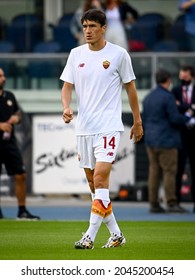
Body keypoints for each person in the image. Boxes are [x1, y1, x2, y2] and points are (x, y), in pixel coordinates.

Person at [60, 9, 143, 249]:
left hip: (108, 126)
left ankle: (89, 236)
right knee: (94, 185)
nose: (87, 31)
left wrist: (137, 121)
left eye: (92, 26)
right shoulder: (76, 54)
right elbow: (67, 86)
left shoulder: (118, 54)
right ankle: (116, 234)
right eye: (85, 26)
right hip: (84, 128)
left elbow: (131, 89)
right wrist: (66, 107)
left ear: (103, 28)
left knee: (100, 178)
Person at [143, 69, 192, 213]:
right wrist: (188, 117)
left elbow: (145, 118)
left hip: (151, 140)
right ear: (168, 80)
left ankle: (153, 203)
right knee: (169, 171)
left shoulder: (148, 97)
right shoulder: (168, 97)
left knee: (153, 172)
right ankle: (171, 202)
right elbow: (175, 118)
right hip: (167, 140)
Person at [0, 68, 40, 220]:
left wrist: (16, 119)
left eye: (3, 75)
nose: (3, 78)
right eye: (0, 76)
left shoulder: (9, 96)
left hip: (9, 143)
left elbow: (17, 113)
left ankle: (22, 210)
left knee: (21, 175)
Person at [172, 65, 195, 213]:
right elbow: (175, 108)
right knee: (178, 169)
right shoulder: (175, 91)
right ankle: (177, 202)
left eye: (185, 77)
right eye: (181, 77)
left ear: (191, 76)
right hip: (180, 134)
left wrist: (185, 106)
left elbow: (181, 107)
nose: (183, 80)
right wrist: (191, 107)